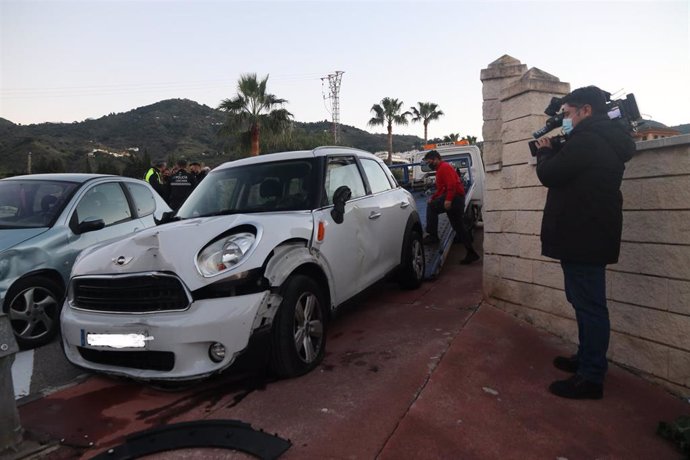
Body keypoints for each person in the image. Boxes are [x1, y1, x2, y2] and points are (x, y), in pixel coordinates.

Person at [534, 86, 635, 400]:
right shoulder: (601, 138)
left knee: (590, 306)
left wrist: (545, 150)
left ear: (586, 110)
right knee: (584, 302)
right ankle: (587, 358)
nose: (565, 119)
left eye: (567, 113)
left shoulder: (589, 140)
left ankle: (591, 377)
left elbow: (550, 174)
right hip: (587, 233)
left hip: (583, 234)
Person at [422, 150, 479, 264]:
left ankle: (433, 236)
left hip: (455, 198)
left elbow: (451, 184)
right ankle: (471, 253)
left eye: (430, 162)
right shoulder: (440, 169)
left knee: (432, 208)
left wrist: (448, 200)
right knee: (458, 227)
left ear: (436, 159)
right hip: (455, 198)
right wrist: (433, 198)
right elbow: (441, 189)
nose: (429, 164)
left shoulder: (444, 167)